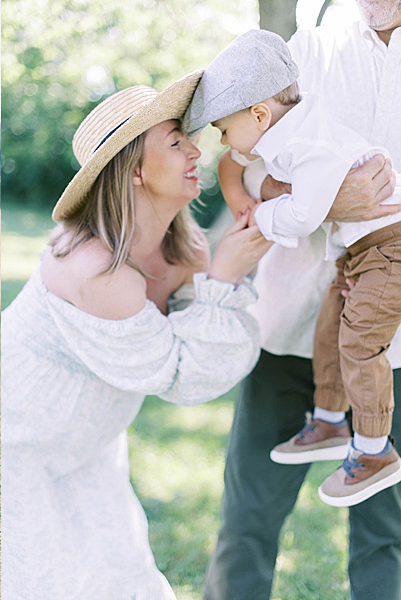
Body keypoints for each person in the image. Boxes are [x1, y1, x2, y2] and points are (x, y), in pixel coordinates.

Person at [1, 71, 273, 599]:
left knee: (125, 578)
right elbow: (177, 376)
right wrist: (224, 280)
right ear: (134, 173)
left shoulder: (183, 251)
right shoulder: (97, 270)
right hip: (20, 446)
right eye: (175, 143)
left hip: (92, 440)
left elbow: (204, 365)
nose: (195, 150)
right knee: (43, 580)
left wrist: (219, 274)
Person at [202, 3, 401, 597]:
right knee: (247, 520)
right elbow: (236, 163)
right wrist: (318, 198)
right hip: (288, 326)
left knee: (385, 537)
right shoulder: (304, 51)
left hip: (391, 348)